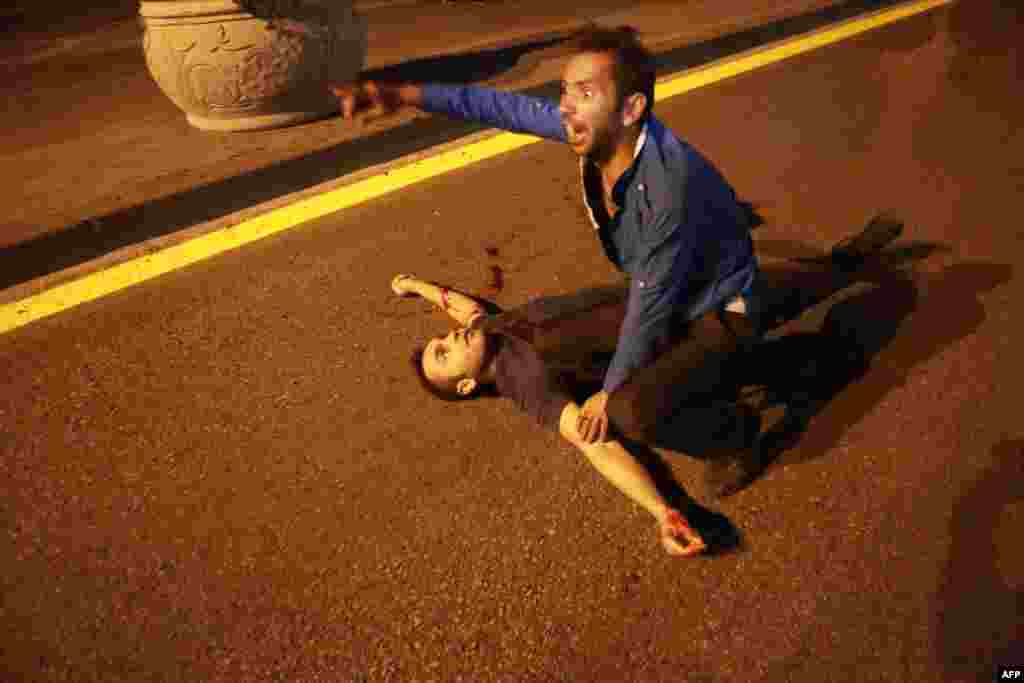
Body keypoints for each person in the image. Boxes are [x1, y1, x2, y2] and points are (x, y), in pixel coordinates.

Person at [330, 24, 761, 448]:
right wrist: (402, 95)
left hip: (716, 307)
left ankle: (737, 432)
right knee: (589, 337)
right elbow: (494, 106)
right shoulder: (603, 129)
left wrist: (607, 395)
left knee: (627, 413)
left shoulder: (665, 190)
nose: (568, 107)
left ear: (630, 109)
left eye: (586, 94)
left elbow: (649, 309)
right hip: (671, 279)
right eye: (566, 91)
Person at [392, 217, 904, 556]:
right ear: (466, 385)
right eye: (444, 351)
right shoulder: (521, 378)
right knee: (648, 398)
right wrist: (661, 511)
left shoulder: (490, 332)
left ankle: (844, 266)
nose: (450, 337)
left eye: (440, 339)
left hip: (672, 301)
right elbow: (594, 444)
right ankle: (749, 426)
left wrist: (416, 287)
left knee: (789, 288)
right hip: (687, 337)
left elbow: (461, 307)